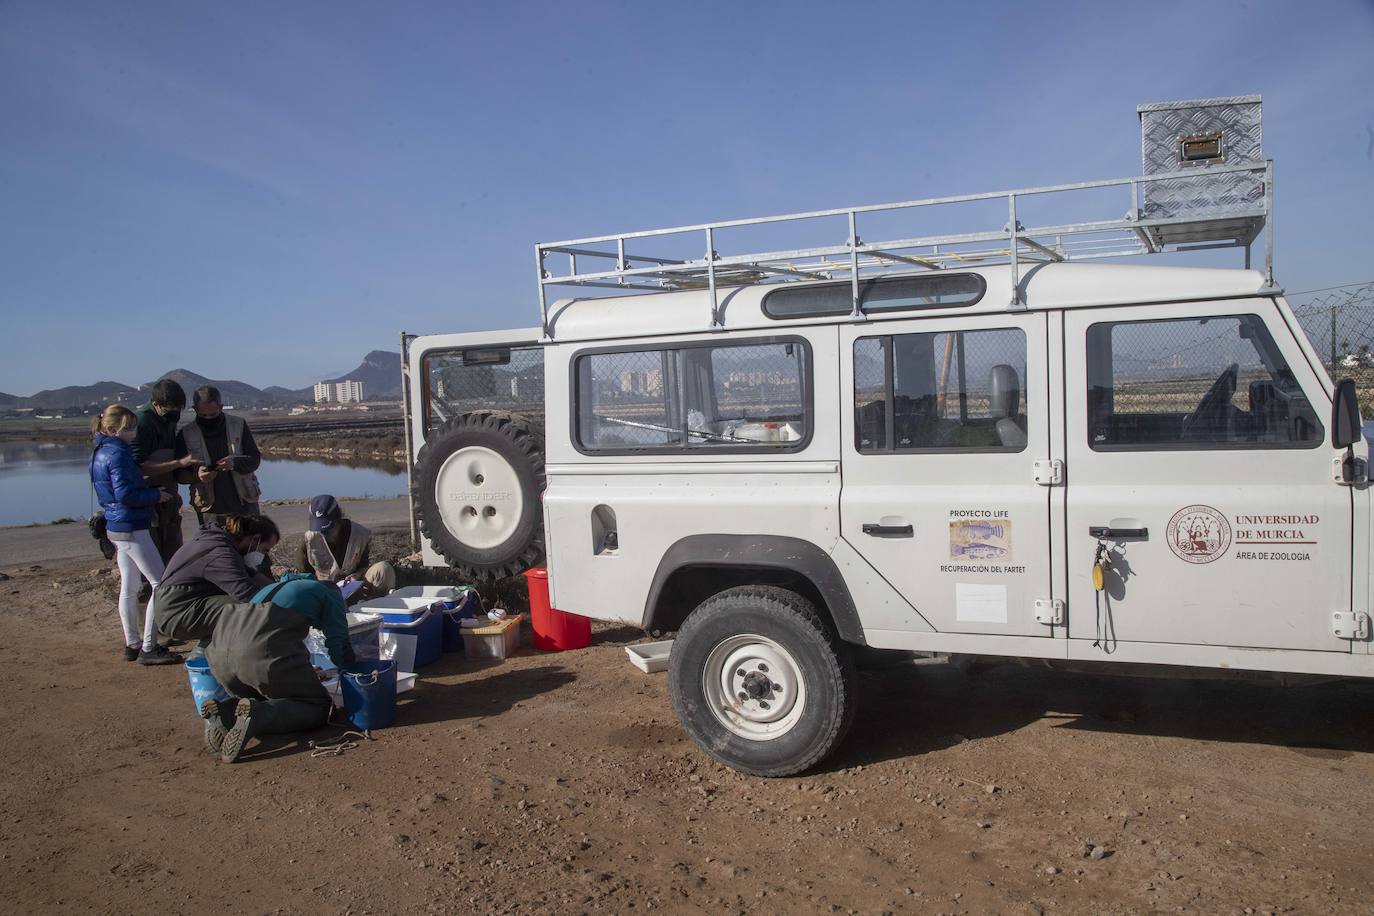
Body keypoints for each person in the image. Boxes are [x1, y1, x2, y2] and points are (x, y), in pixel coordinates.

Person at [169, 571, 352, 763]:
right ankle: (259, 715)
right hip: (259, 654)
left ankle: (225, 712)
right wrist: (350, 669)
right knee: (318, 707)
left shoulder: (270, 589)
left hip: (220, 654)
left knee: (260, 695)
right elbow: (338, 641)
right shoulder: (330, 594)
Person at [88, 405, 180, 665]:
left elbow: (114, 492)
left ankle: (132, 643)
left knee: (129, 586)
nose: (133, 433)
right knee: (160, 584)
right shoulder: (118, 454)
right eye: (129, 428)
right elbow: (126, 494)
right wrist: (155, 495)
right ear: (114, 429)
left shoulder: (100, 452)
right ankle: (149, 647)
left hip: (116, 525)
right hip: (132, 525)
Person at [155, 514, 280, 639]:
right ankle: (203, 655)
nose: (263, 555)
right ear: (255, 539)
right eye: (264, 550)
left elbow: (253, 575)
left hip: (184, 605)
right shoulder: (220, 553)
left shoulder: (222, 543)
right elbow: (248, 594)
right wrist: (284, 606)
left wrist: (281, 589)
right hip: (176, 613)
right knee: (251, 610)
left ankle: (205, 652)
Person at [175, 385, 263, 528]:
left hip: (244, 504)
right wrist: (197, 476)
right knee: (216, 549)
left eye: (213, 414)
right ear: (195, 409)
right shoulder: (185, 434)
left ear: (221, 407)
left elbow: (255, 460)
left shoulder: (239, 425)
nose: (208, 419)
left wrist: (235, 463)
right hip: (209, 509)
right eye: (203, 415)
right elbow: (179, 475)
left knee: (251, 547)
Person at [293, 494, 395, 603]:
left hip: (355, 590)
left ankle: (375, 607)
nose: (324, 533)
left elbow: (364, 565)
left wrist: (357, 575)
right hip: (325, 595)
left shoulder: (359, 535)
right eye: (319, 529)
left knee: (383, 569)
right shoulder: (308, 541)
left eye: (329, 529)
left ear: (338, 519)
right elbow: (302, 577)